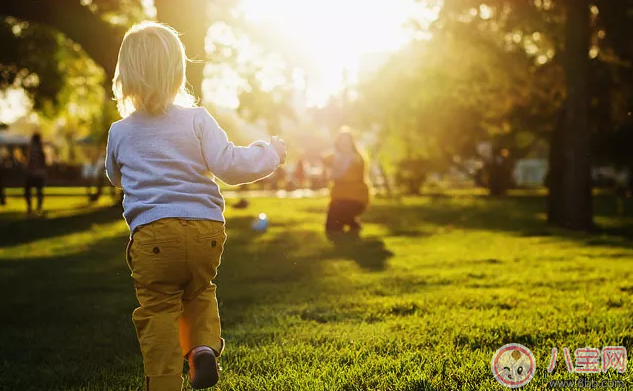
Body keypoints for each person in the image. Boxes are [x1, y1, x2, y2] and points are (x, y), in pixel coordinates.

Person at [105, 22, 286, 391]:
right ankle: (202, 348)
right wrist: (270, 154)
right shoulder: (198, 120)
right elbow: (230, 165)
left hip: (154, 236)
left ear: (125, 76)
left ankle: (165, 381)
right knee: (200, 290)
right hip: (206, 232)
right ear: (178, 71)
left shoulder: (120, 131)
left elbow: (114, 176)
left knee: (158, 308)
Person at [323, 128, 369, 241]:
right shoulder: (336, 157)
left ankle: (353, 224)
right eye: (341, 140)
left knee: (337, 222)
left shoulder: (357, 158)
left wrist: (336, 173)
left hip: (355, 198)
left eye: (346, 140)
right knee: (331, 228)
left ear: (351, 142)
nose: (344, 143)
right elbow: (323, 160)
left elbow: (348, 178)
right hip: (338, 199)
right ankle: (353, 223)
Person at [24, 133, 47, 215]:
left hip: (33, 173)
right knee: (39, 192)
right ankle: (38, 207)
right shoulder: (40, 150)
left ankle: (31, 207)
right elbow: (43, 163)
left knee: (29, 191)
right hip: (38, 174)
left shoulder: (33, 150)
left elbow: (30, 162)